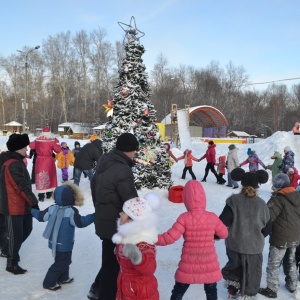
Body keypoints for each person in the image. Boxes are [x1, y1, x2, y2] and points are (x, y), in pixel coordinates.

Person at [88, 132, 139, 300]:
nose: (135, 154)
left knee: (110, 259)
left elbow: (94, 188)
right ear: (129, 150)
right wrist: (140, 215)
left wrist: (101, 210)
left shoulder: (105, 161)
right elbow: (131, 200)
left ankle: (96, 288)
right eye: (134, 151)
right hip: (115, 223)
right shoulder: (122, 168)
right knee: (112, 266)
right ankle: (103, 294)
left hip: (104, 219)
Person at [157, 180, 228, 300]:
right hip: (208, 263)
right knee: (211, 290)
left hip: (188, 264)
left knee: (179, 291)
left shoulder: (184, 218)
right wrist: (211, 234)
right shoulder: (212, 217)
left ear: (186, 199)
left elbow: (169, 238)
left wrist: (150, 237)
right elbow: (224, 234)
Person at [31, 183, 94, 291]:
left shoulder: (52, 208)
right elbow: (81, 222)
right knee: (61, 263)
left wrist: (31, 210)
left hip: (54, 241)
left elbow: (41, 216)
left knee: (65, 260)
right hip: (65, 243)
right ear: (71, 198)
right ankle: (48, 282)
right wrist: (94, 216)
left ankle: (63, 278)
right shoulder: (71, 211)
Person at [219, 168, 270, 299]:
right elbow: (268, 227)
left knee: (234, 268)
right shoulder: (262, 204)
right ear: (257, 186)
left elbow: (223, 221)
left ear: (241, 183)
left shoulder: (233, 201)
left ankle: (232, 291)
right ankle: (247, 295)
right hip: (254, 248)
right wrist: (257, 236)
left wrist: (216, 235)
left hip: (235, 244)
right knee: (252, 273)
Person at [0, 133, 39, 274]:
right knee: (16, 236)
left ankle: (8, 249)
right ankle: (12, 263)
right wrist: (34, 202)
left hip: (22, 205)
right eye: (25, 147)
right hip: (13, 207)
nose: (27, 150)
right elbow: (21, 186)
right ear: (18, 148)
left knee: (26, 230)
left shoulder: (17, 162)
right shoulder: (13, 164)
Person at [112, 192, 161, 300]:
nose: (120, 214)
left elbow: (150, 268)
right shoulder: (126, 237)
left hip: (141, 289)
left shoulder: (142, 242)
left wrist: (138, 258)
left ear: (132, 219)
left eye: (124, 212)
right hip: (128, 285)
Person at [259, 173, 300, 298]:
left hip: (280, 237)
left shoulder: (277, 199)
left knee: (274, 263)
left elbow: (268, 218)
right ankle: (292, 285)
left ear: (278, 186)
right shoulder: (297, 196)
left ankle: (271, 288)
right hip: (295, 235)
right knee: (290, 260)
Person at [29, 127, 61, 201]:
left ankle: (41, 195)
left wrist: (36, 140)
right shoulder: (52, 140)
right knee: (50, 174)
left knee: (40, 175)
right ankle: (49, 193)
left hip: (39, 160)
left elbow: (31, 145)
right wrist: (57, 142)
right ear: (49, 132)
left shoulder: (38, 140)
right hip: (48, 160)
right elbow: (58, 150)